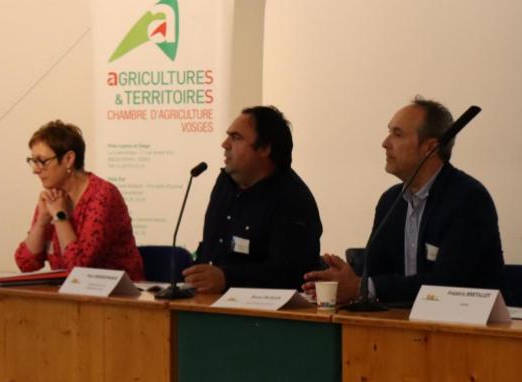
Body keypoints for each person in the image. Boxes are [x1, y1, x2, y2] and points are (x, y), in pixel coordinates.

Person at [303, 97, 504, 304]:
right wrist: (347, 281)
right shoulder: (391, 201)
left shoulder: (468, 199)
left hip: (467, 327)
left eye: (397, 134)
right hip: (403, 322)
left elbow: (447, 285)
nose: (385, 143)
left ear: (430, 148)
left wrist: (365, 287)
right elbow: (375, 272)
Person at [183, 106, 322, 293]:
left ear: (264, 148)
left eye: (236, 137)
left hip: (267, 315)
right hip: (207, 301)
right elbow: (211, 248)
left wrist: (227, 279)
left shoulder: (292, 198)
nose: (225, 144)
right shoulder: (225, 183)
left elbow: (291, 273)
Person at [14, 120, 144, 280]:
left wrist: (60, 216)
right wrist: (42, 221)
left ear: (69, 159)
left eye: (42, 161)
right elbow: (25, 264)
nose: (35, 170)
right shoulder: (52, 196)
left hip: (118, 297)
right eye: (33, 161)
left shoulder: (102, 195)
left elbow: (79, 267)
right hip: (72, 294)